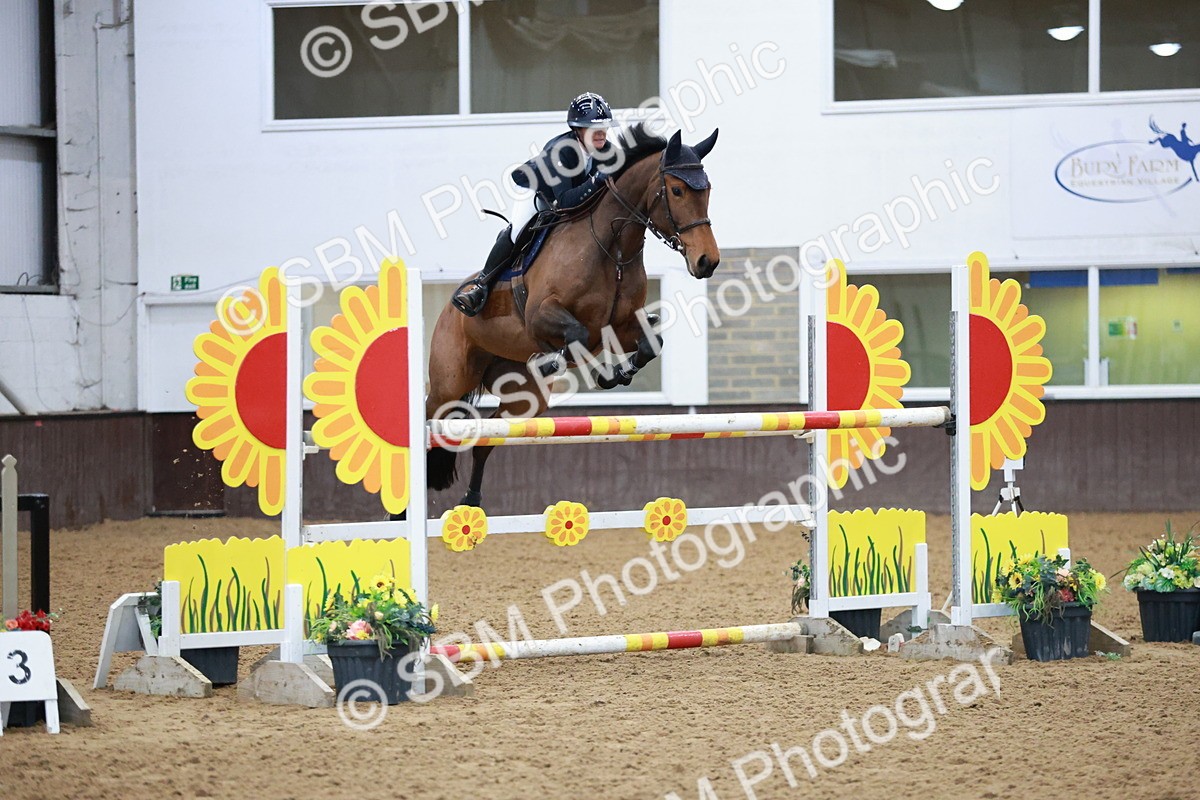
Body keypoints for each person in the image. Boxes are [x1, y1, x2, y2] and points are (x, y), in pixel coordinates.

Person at [452, 91, 619, 317]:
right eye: (593, 128)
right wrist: (598, 180)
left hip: (566, 194)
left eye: (604, 127)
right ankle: (481, 285)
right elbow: (565, 201)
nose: (601, 133)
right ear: (578, 130)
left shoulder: (606, 149)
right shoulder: (561, 152)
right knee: (517, 230)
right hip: (536, 191)